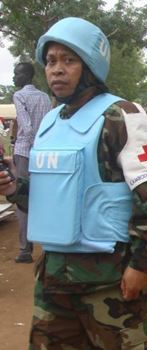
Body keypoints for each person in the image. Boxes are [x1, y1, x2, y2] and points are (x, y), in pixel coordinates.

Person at [0, 17, 147, 348]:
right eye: (51, 61)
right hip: (53, 285)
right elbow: (48, 200)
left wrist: (140, 265)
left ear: (91, 67)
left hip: (109, 284)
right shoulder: (50, 122)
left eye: (69, 60)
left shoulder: (120, 116)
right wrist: (12, 188)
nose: (56, 69)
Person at [11, 61, 51, 264]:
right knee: (43, 199)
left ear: (27, 76)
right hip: (44, 154)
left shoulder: (19, 95)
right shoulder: (44, 96)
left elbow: (26, 126)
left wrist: (34, 145)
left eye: (17, 74)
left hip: (25, 152)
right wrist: (43, 147)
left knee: (23, 199)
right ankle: (49, 246)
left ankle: (25, 250)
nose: (14, 77)